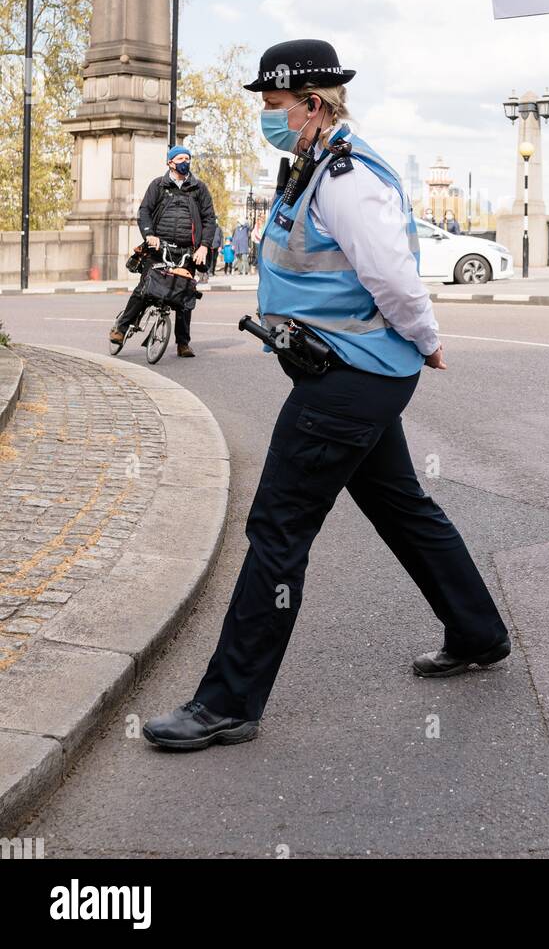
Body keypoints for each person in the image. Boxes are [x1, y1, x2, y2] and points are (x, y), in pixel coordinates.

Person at [143, 39, 509, 751]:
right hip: (350, 370)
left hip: (352, 377)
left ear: (312, 105)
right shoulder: (312, 164)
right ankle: (478, 632)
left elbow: (395, 278)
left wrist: (427, 339)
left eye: (274, 106)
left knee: (277, 530)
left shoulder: (346, 179)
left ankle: (227, 703)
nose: (267, 118)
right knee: (402, 507)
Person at [109, 145, 215, 358]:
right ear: (170, 162)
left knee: (185, 295)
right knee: (144, 290)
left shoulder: (198, 188)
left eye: (188, 158)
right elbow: (144, 211)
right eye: (181, 158)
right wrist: (149, 235)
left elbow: (209, 219)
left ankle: (183, 343)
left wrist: (203, 246)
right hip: (159, 248)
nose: (185, 162)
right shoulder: (158, 185)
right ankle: (121, 328)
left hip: (187, 251)